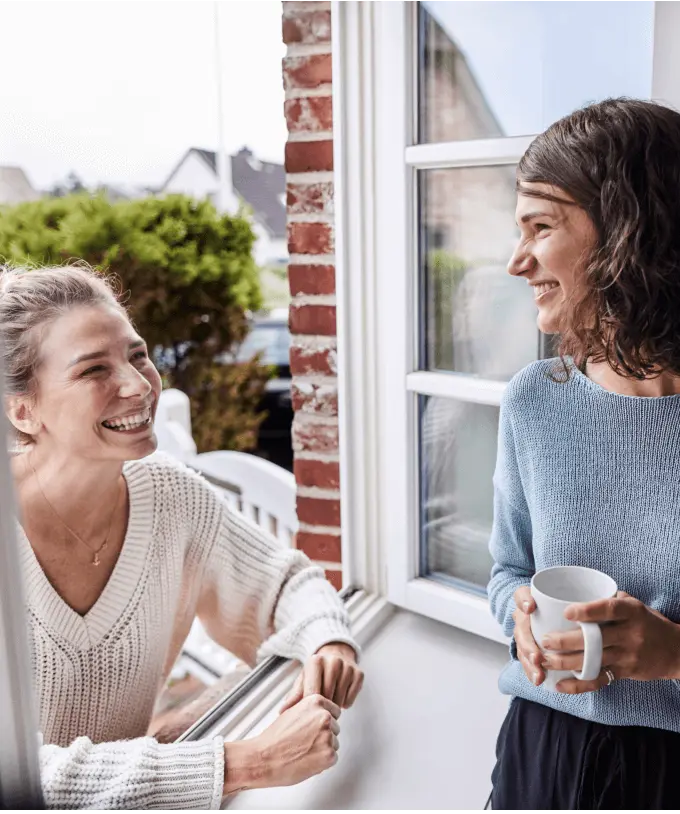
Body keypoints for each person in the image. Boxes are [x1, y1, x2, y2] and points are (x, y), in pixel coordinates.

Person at [0, 263, 363, 809]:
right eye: (94, 369)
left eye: (137, 353)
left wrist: (327, 639)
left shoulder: (170, 495)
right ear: (22, 410)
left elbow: (285, 582)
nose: (137, 383)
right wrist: (250, 761)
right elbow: (20, 779)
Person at [487, 98, 680, 811]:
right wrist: (520, 615)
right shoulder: (534, 402)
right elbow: (508, 568)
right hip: (543, 749)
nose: (516, 260)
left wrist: (673, 657)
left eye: (541, 226)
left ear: (630, 231)